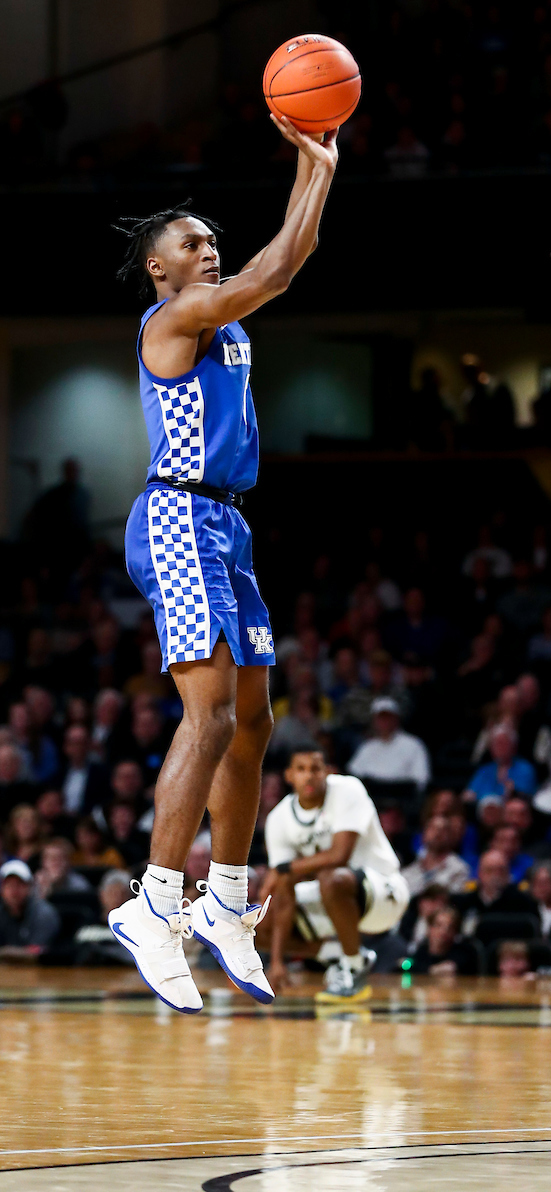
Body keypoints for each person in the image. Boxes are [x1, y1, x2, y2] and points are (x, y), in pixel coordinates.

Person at [107, 113, 339, 1013]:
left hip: (227, 525)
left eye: (211, 240)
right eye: (189, 243)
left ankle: (228, 900)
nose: (207, 249)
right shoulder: (174, 317)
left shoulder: (226, 307)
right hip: (176, 513)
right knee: (206, 720)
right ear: (159, 268)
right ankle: (155, 905)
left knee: (254, 722)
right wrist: (305, 177)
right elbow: (278, 268)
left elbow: (293, 254)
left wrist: (319, 168)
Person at [263, 747, 410, 1001]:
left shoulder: (347, 790)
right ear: (289, 775)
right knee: (260, 922)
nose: (309, 776)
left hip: (383, 893)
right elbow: (283, 891)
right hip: (331, 898)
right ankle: (341, 953)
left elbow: (339, 855)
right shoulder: (279, 818)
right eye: (301, 769)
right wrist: (277, 961)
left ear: (328, 772)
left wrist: (286, 869)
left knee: (331, 877)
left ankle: (353, 967)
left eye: (316, 768)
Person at [347, 698, 430, 792]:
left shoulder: (413, 745)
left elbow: (421, 779)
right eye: (380, 718)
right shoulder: (367, 746)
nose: (384, 722)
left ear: (396, 719)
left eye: (388, 717)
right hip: (372, 797)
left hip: (402, 798)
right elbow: (354, 774)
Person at [0, 859, 60, 959]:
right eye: (9, 885)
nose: (13, 891)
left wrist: (5, 952)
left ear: (30, 887)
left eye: (19, 885)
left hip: (41, 972)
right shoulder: (2, 912)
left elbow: (37, 954)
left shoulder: (44, 913)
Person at [401, 815, 470, 898]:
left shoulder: (459, 869)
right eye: (433, 828)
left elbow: (454, 900)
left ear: (450, 837)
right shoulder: (408, 870)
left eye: (443, 830)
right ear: (424, 835)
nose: (437, 833)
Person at [467, 724, 536, 803]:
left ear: (513, 746)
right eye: (495, 744)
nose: (499, 748)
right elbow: (470, 793)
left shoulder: (525, 769)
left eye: (503, 743)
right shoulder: (484, 770)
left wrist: (514, 793)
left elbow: (526, 798)